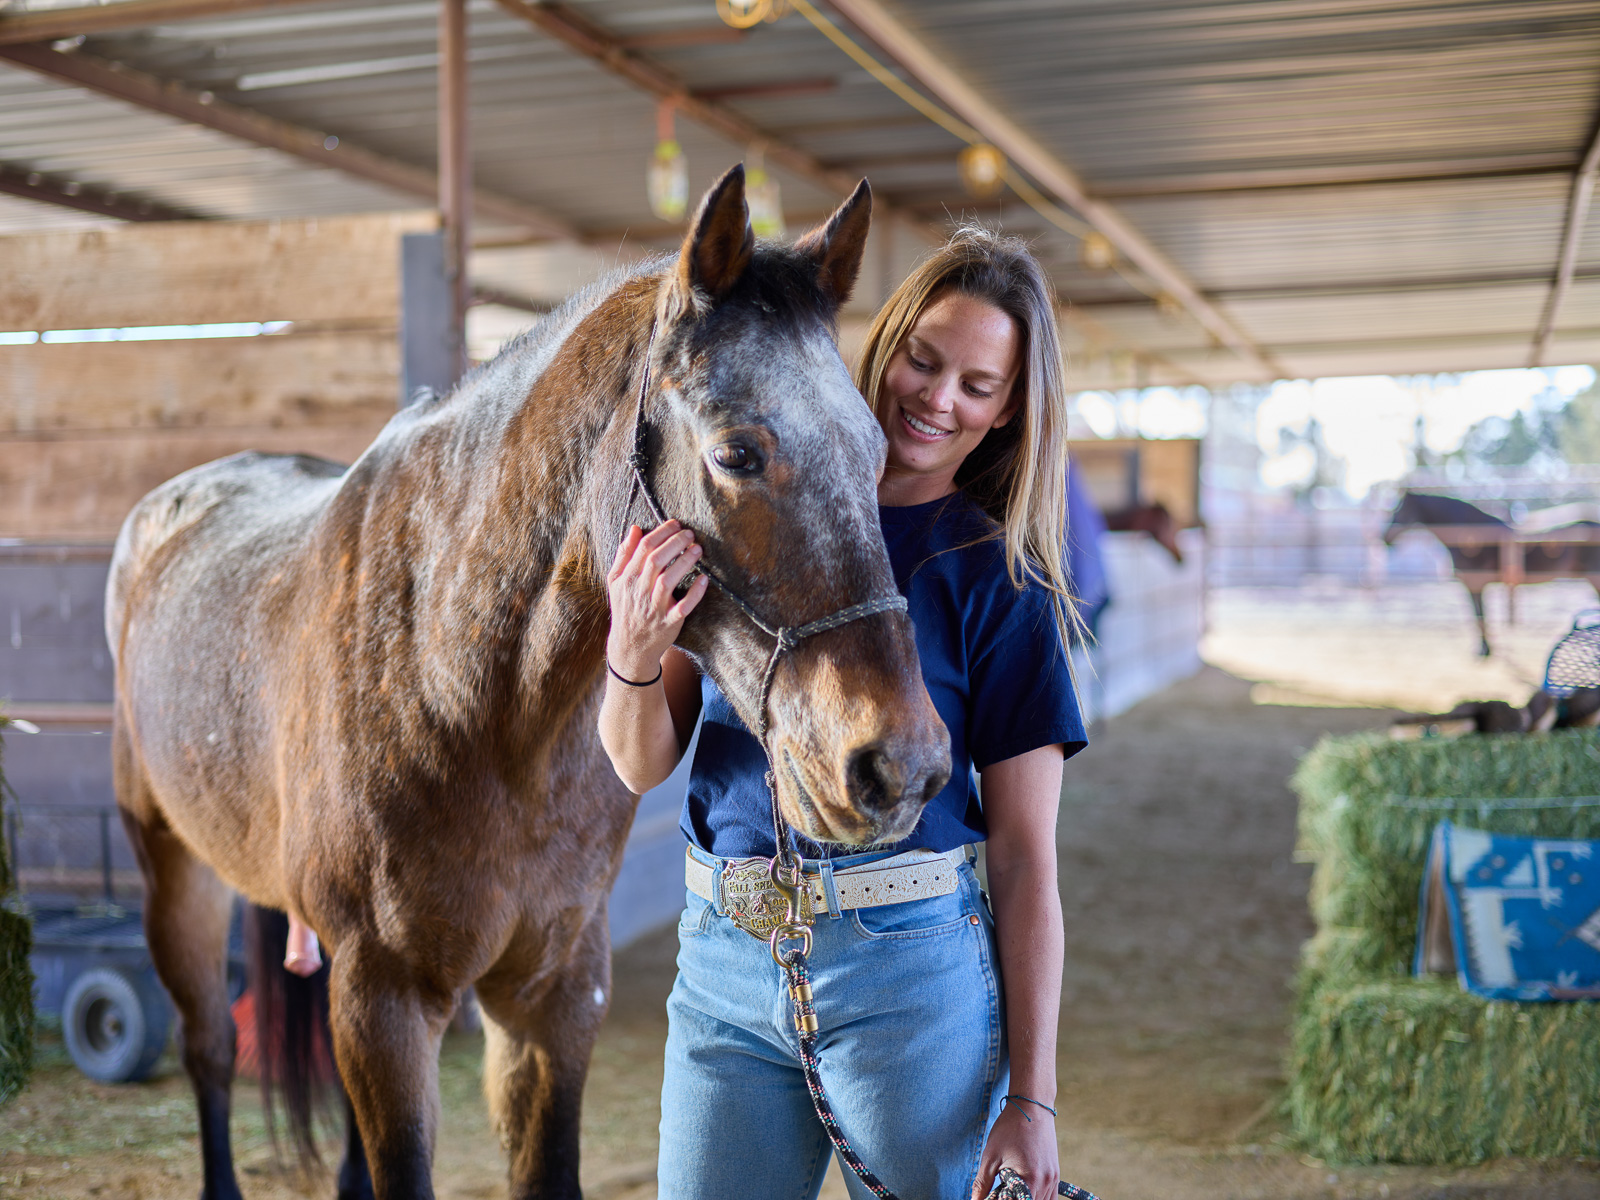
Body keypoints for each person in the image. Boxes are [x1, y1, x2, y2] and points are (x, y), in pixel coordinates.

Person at [599, 225, 1087, 1200]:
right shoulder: (738, 502)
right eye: (924, 359)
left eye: (977, 386)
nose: (937, 397)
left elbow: (1027, 855)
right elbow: (641, 765)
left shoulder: (999, 581)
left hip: (907, 973)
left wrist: (1030, 1101)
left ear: (1006, 413)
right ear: (887, 341)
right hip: (724, 963)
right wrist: (631, 655)